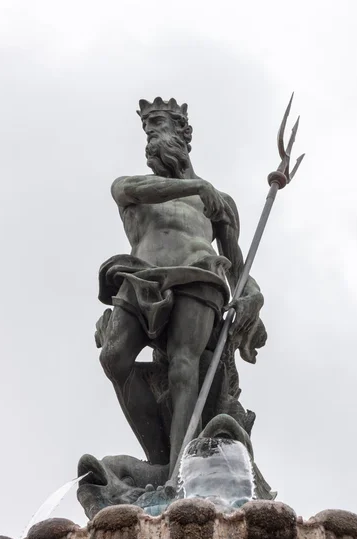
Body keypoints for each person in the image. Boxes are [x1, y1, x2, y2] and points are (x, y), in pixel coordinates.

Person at [97, 97, 266, 476]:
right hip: (142, 275)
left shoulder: (219, 203)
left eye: (159, 129)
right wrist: (194, 185)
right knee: (114, 358)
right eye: (148, 132)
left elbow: (239, 267)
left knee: (184, 367)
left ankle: (177, 471)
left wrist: (254, 295)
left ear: (182, 137)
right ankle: (159, 456)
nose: (151, 140)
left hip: (199, 276)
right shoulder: (130, 186)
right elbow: (137, 191)